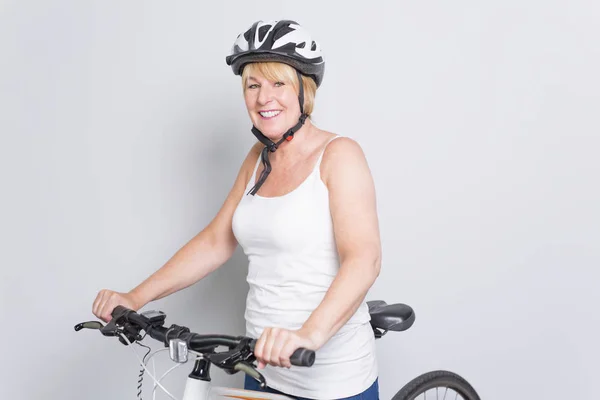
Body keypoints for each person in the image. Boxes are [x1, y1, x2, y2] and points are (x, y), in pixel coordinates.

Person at [92, 20, 381, 400]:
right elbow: (216, 242)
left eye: (278, 83)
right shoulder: (258, 159)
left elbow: (364, 258)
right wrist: (134, 298)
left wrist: (308, 335)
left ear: (303, 90)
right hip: (262, 367)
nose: (264, 98)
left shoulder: (340, 155)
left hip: (330, 376)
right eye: (253, 85)